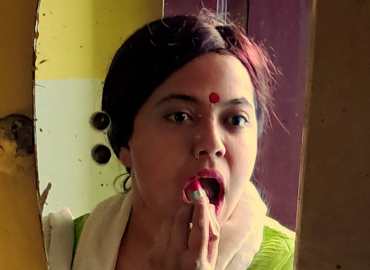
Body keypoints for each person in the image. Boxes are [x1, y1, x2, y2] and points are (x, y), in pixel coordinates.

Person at [43, 10, 295, 270]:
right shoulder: (50, 251)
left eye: (235, 120)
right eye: (179, 116)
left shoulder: (298, 261)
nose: (211, 144)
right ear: (124, 141)